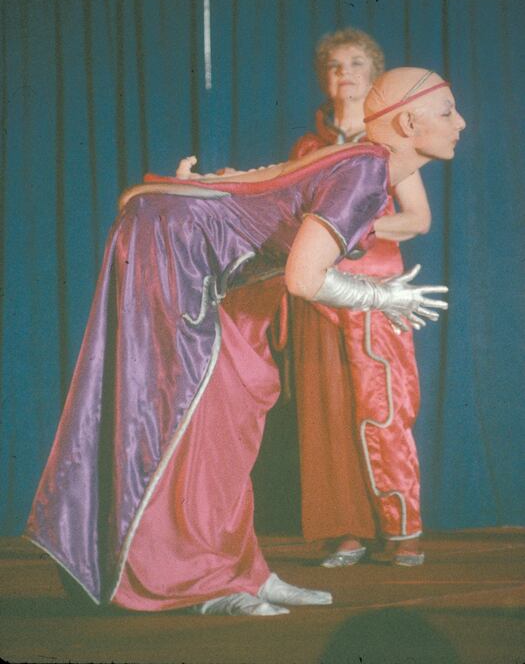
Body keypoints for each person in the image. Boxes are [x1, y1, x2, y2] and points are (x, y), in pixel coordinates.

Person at [25, 68, 462, 615]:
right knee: (192, 421)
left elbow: (264, 190)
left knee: (232, 419)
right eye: (448, 112)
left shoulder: (360, 163)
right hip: (177, 254)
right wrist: (382, 297)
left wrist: (188, 189)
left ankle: (240, 570)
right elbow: (304, 278)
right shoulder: (365, 172)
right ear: (409, 122)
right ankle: (193, 581)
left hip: (200, 261)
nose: (460, 123)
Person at [289, 29, 432, 567]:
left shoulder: (389, 141)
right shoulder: (307, 149)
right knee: (326, 414)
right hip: (321, 294)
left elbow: (417, 219)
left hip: (375, 294)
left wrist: (357, 230)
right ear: (324, 79)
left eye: (355, 64)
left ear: (373, 76)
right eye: (334, 65)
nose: (344, 73)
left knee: (384, 408)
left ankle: (401, 531)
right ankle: (346, 531)